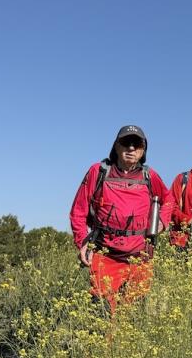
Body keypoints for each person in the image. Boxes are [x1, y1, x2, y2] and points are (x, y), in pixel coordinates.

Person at [70, 125, 173, 314]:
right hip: (105, 255)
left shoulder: (149, 176)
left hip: (141, 257)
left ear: (143, 150)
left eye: (137, 144)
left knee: (134, 315)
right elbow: (78, 210)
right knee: (101, 314)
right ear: (116, 146)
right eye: (126, 143)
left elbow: (168, 200)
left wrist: (162, 221)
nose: (131, 148)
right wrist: (82, 242)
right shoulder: (99, 172)